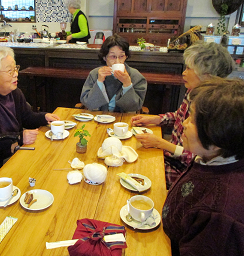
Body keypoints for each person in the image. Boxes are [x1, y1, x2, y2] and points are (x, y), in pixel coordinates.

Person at [131, 41, 234, 188]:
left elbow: (199, 159)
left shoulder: (215, 110)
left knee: (135, 171)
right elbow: (179, 115)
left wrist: (162, 144)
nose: (183, 72)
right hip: (171, 157)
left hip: (185, 171)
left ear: (207, 76)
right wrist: (154, 119)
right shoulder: (192, 91)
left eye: (189, 68)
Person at [162, 77, 244, 256]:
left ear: (217, 138)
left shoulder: (219, 214)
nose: (184, 123)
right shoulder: (211, 158)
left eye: (192, 120)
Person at [0, 46, 59, 183]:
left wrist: (44, 117)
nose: (16, 74)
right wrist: (18, 137)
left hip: (15, 151)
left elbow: (27, 117)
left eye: (15, 68)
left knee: (51, 161)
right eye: (10, 71)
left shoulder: (15, 93)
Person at [80, 34, 147, 112]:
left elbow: (135, 107)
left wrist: (127, 84)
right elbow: (88, 103)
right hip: (99, 119)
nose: (117, 61)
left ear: (126, 57)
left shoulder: (136, 76)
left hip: (124, 122)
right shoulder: (94, 74)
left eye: (121, 56)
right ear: (105, 57)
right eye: (113, 56)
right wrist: (99, 82)